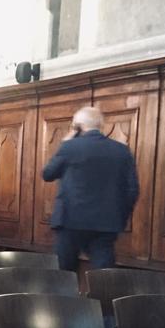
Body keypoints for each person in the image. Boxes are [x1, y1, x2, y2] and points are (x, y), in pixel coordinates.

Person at [41, 105, 139, 271]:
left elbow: (48, 174)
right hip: (106, 223)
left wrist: (65, 143)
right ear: (101, 125)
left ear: (77, 126)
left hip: (70, 221)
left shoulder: (69, 147)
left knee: (65, 274)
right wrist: (119, 216)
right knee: (103, 276)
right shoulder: (121, 151)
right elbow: (132, 190)